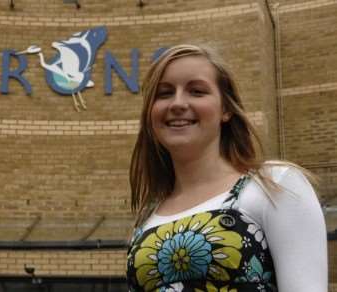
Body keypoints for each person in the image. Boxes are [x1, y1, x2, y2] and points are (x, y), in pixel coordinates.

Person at [126, 44, 328, 292]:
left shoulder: (274, 184)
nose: (177, 103)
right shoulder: (148, 215)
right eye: (164, 93)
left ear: (226, 109)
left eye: (197, 91)